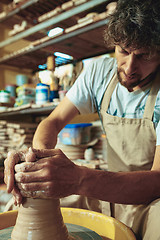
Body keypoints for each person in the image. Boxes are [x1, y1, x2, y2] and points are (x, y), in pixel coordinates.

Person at [4, 0, 160, 239]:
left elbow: (156, 181)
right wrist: (38, 162)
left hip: (150, 198)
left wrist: (79, 178)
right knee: (21, 204)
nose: (130, 67)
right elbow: (53, 121)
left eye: (143, 55)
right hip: (107, 188)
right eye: (124, 51)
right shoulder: (99, 72)